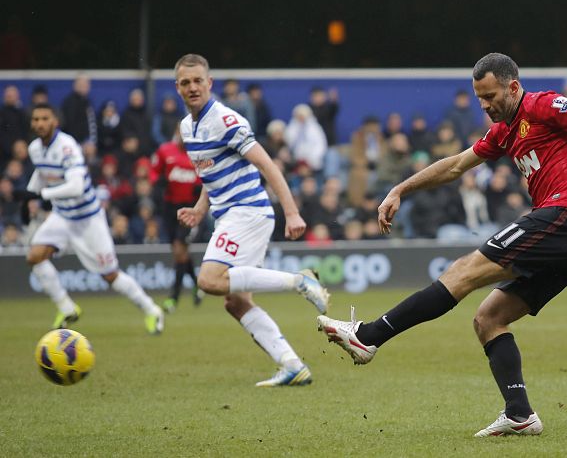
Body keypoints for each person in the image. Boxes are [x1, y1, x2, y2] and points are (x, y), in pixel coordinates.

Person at [318, 52, 567, 437]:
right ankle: (520, 414)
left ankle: (368, 336)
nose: (485, 106)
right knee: (489, 318)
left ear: (513, 87)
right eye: (480, 99)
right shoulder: (504, 131)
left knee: (462, 272)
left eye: (490, 96)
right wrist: (400, 188)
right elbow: (455, 165)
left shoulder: (540, 105)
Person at [172, 54, 330, 387]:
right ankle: (291, 365)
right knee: (236, 302)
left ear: (209, 83)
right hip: (230, 214)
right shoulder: (187, 127)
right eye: (185, 82)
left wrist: (291, 211)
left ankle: (300, 281)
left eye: (198, 80)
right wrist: (201, 209)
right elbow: (209, 172)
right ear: (178, 88)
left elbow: (268, 165)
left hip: (247, 211)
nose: (192, 87)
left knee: (209, 280)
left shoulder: (227, 120)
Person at [14, 104, 165, 333]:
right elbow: (42, 172)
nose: (40, 123)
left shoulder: (67, 147)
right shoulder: (35, 148)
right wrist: (28, 199)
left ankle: (152, 310)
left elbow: (75, 187)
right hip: (63, 216)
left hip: (88, 219)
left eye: (45, 118)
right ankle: (66, 308)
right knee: (34, 256)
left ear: (55, 121)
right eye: (36, 119)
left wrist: (38, 195)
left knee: (110, 275)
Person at [150, 123, 202, 312]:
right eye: (180, 132)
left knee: (180, 250)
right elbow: (154, 172)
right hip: (169, 208)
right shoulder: (165, 151)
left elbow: (204, 181)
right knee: (180, 252)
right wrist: (157, 184)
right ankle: (197, 285)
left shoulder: (198, 156)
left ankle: (173, 298)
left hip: (189, 210)